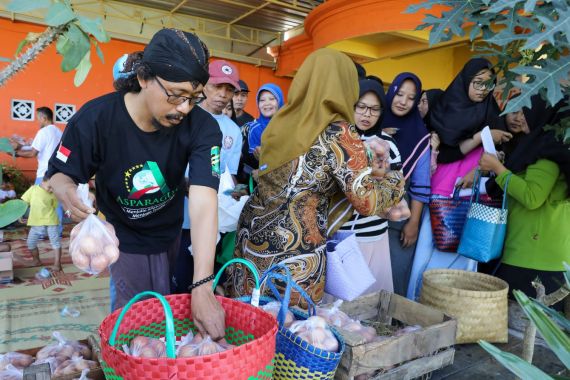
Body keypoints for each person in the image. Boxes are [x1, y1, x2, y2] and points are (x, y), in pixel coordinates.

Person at [46, 28, 226, 340]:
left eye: (194, 98)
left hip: (170, 232)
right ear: (144, 78)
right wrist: (67, 193)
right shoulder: (96, 118)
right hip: (122, 236)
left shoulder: (203, 127)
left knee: (168, 309)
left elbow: (203, 201)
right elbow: (61, 175)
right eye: (175, 94)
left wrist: (203, 285)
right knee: (133, 324)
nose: (184, 107)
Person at [227, 49, 405, 306]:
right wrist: (396, 179)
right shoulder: (339, 133)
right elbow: (366, 201)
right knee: (288, 330)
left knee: (249, 320)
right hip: (296, 253)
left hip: (251, 237)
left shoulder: (281, 121)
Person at [406, 58, 511, 300]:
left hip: (476, 192)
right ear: (465, 81)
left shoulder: (491, 110)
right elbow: (445, 153)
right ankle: (420, 304)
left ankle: (454, 311)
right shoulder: (445, 107)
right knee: (431, 254)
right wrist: (482, 136)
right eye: (477, 83)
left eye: (488, 84)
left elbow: (500, 154)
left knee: (465, 259)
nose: (482, 90)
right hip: (443, 191)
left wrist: (487, 161)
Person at [480, 95, 570, 305]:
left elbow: (532, 197)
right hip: (534, 252)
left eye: (526, 111)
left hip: (533, 256)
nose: (522, 117)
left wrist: (498, 169)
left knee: (521, 330)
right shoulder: (544, 148)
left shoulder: (547, 154)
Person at [336, 76, 402, 293]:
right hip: (341, 232)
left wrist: (381, 177)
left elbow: (397, 190)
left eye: (374, 109)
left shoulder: (388, 145)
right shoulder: (338, 141)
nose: (367, 114)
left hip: (373, 235)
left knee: (370, 307)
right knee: (340, 304)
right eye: (361, 107)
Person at [380, 72, 431, 297]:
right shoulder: (374, 122)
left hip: (400, 217)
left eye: (411, 98)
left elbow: (420, 185)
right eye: (400, 94)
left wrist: (414, 223)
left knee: (395, 274)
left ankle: (391, 326)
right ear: (391, 93)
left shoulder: (420, 135)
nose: (403, 101)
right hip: (366, 212)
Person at [13, 107, 64, 233]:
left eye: (38, 118)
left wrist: (16, 154)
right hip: (59, 173)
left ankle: (39, 232)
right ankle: (57, 231)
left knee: (39, 203)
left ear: (44, 118)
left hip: (44, 174)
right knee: (56, 203)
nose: (38, 121)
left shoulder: (43, 132)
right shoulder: (60, 133)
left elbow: (32, 153)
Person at [200, 60, 243, 182]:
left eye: (229, 89)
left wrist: (234, 191)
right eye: (217, 86)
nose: (223, 94)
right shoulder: (185, 117)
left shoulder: (234, 131)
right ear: (204, 86)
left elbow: (229, 174)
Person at [240, 83, 284, 177]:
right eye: (262, 100)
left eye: (272, 99)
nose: (267, 103)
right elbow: (250, 162)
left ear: (280, 101)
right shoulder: (253, 129)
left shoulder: (289, 126)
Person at [21, 177, 62, 271]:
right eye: (50, 187)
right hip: (36, 222)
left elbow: (54, 206)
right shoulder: (33, 189)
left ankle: (57, 264)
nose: (51, 190)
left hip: (50, 221)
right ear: (43, 182)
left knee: (55, 242)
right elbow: (24, 202)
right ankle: (36, 260)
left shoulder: (53, 193)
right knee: (30, 243)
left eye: (53, 188)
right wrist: (19, 215)